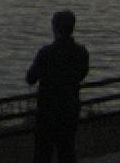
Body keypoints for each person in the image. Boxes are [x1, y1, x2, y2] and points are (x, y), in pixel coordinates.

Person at [26, 9, 91, 163]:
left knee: (43, 152)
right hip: (70, 107)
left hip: (47, 109)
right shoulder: (81, 52)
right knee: (67, 150)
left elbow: (30, 78)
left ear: (54, 27)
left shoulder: (46, 53)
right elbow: (82, 74)